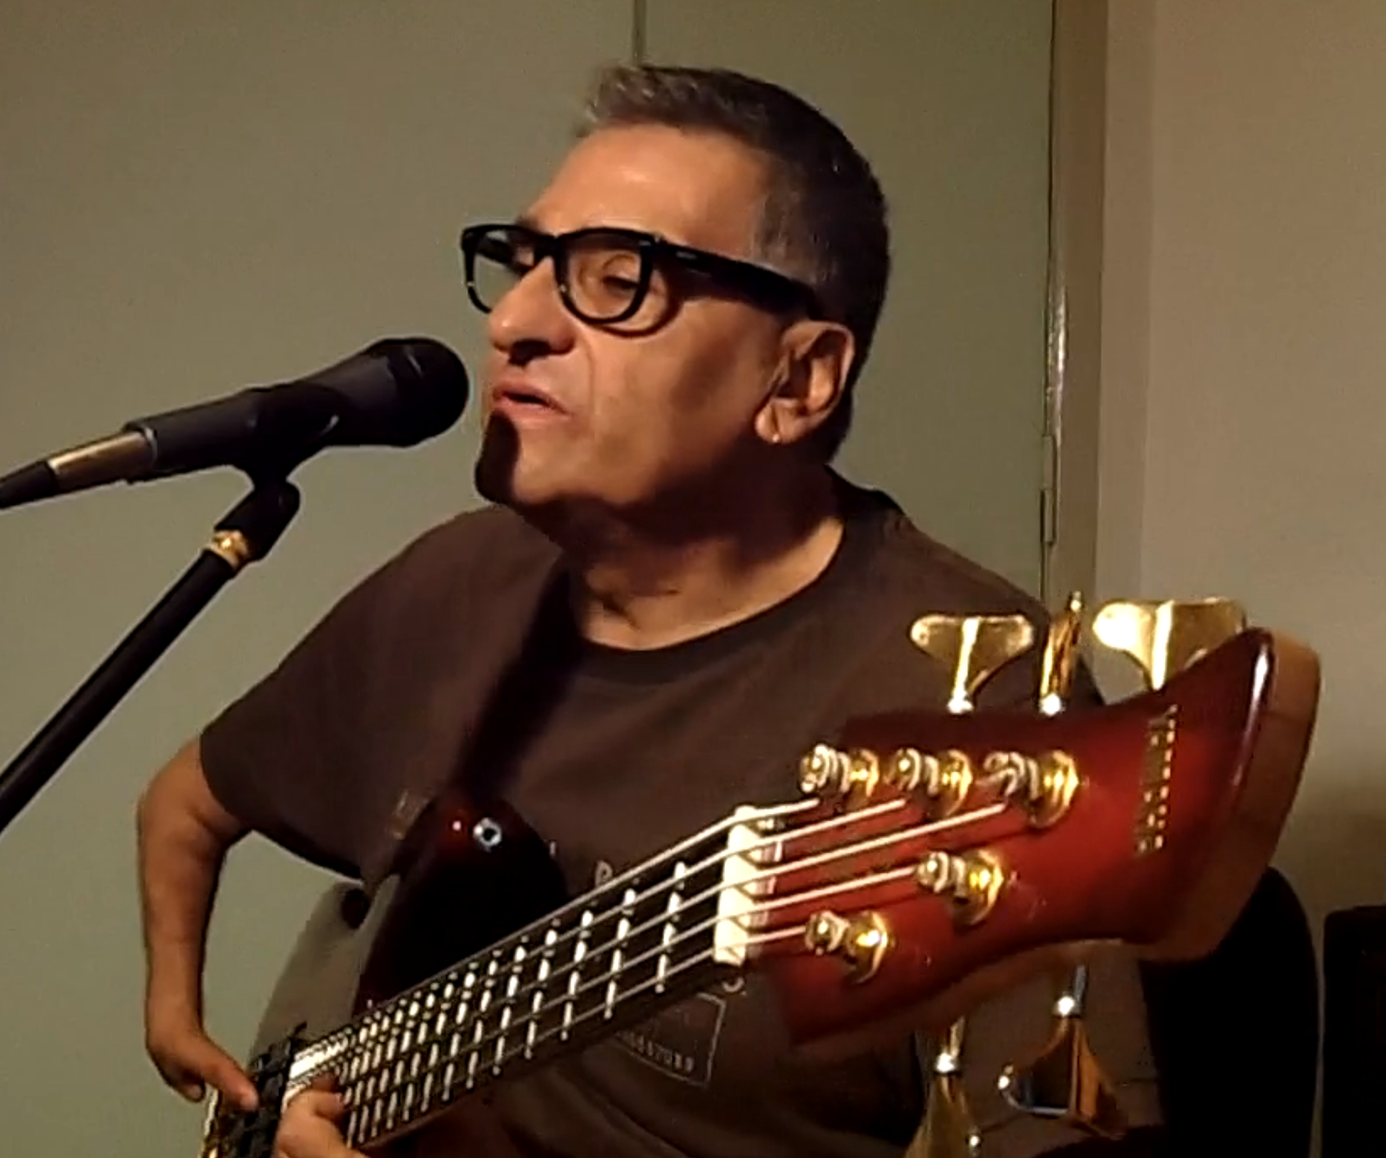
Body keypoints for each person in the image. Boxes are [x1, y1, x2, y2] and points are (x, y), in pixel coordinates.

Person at [136, 64, 1164, 1158]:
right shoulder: (457, 581)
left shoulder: (978, 695)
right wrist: (177, 1020)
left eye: (616, 281)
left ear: (799, 380)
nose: (516, 323)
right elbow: (185, 802)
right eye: (523, 264)